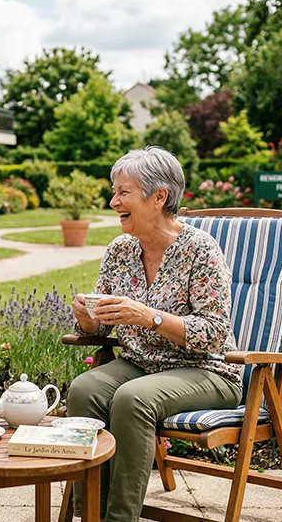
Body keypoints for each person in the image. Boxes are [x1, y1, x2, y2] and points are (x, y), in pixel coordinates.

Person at [67, 147, 242, 522]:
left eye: (123, 192)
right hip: (139, 364)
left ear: (159, 196)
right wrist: (87, 318)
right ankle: (90, 514)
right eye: (114, 192)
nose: (114, 201)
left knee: (132, 400)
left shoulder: (200, 250)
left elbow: (214, 333)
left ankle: (119, 519)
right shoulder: (119, 250)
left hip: (206, 369)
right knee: (83, 390)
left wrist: (150, 317)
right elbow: (102, 325)